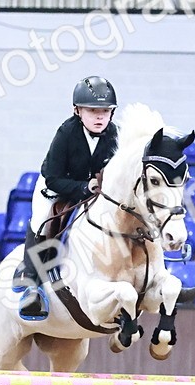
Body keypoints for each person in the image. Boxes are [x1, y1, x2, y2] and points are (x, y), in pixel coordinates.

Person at [18, 76, 120, 320]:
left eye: (105, 111)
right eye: (93, 110)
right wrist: (85, 187)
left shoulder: (114, 134)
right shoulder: (66, 133)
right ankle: (31, 284)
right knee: (42, 219)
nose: (99, 117)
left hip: (94, 190)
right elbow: (53, 177)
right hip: (56, 187)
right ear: (78, 111)